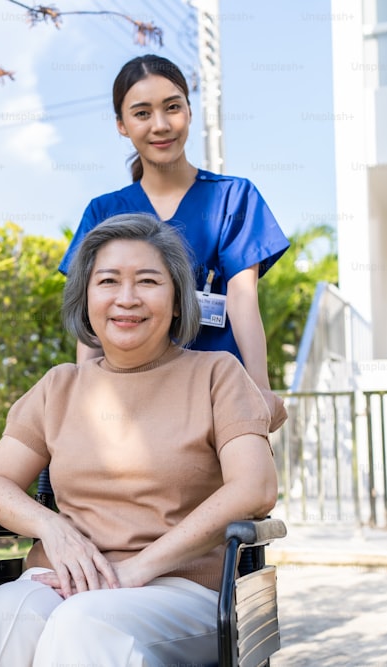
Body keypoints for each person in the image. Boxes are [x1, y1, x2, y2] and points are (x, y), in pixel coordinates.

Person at [0, 214, 278, 666]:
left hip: (182, 590)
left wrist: (137, 569)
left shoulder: (217, 375)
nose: (127, 299)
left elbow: (255, 487)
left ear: (179, 300)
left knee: (83, 624)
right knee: (3, 615)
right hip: (62, 577)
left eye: (147, 281)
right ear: (86, 298)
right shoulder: (58, 386)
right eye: (108, 281)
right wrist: (54, 529)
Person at [59, 54, 290, 430]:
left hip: (217, 400)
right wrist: (86, 391)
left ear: (189, 111)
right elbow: (94, 316)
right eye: (142, 113)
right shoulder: (104, 211)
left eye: (172, 107)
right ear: (121, 125)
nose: (161, 125)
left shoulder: (234, 198)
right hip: (127, 406)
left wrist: (259, 388)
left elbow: (243, 300)